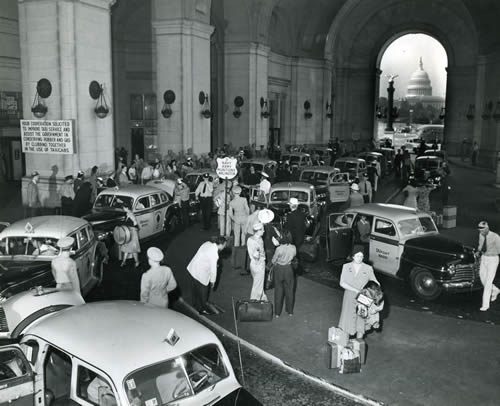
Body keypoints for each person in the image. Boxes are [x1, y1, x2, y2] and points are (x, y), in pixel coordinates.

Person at [338, 249, 379, 339]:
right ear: (353, 256)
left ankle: (358, 344)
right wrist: (355, 290)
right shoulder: (346, 266)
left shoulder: (368, 268)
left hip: (363, 299)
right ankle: (344, 343)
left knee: (360, 321)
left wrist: (374, 288)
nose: (360, 258)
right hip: (349, 296)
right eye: (357, 256)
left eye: (361, 256)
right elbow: (342, 283)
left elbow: (375, 281)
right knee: (347, 320)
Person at [187, 236, 227, 315]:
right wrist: (213, 281)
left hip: (192, 268)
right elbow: (213, 270)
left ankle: (194, 303)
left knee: (194, 288)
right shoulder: (214, 254)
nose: (225, 246)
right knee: (203, 292)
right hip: (200, 273)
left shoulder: (207, 243)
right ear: (221, 245)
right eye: (225, 245)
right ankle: (202, 309)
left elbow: (204, 255)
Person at [271, 230, 297, 318]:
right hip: (289, 269)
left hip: (279, 269)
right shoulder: (293, 248)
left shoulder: (279, 249)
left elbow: (273, 260)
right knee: (290, 290)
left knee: (278, 290)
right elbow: (293, 257)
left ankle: (277, 313)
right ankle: (290, 311)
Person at [477, 221, 500, 311]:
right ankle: (495, 290)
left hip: (493, 260)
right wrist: (478, 251)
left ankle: (485, 305)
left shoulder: (495, 237)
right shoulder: (481, 235)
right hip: (484, 258)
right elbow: (480, 246)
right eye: (479, 230)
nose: (481, 232)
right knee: (483, 278)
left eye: (482, 230)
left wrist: (490, 251)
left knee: (488, 283)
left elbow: (499, 251)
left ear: (487, 228)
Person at [247, 222, 267, 301]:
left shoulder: (250, 239)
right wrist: (258, 260)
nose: (264, 231)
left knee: (258, 283)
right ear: (258, 231)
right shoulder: (257, 241)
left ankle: (263, 298)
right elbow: (256, 255)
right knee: (257, 286)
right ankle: (255, 302)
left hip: (253, 264)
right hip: (258, 264)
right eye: (262, 230)